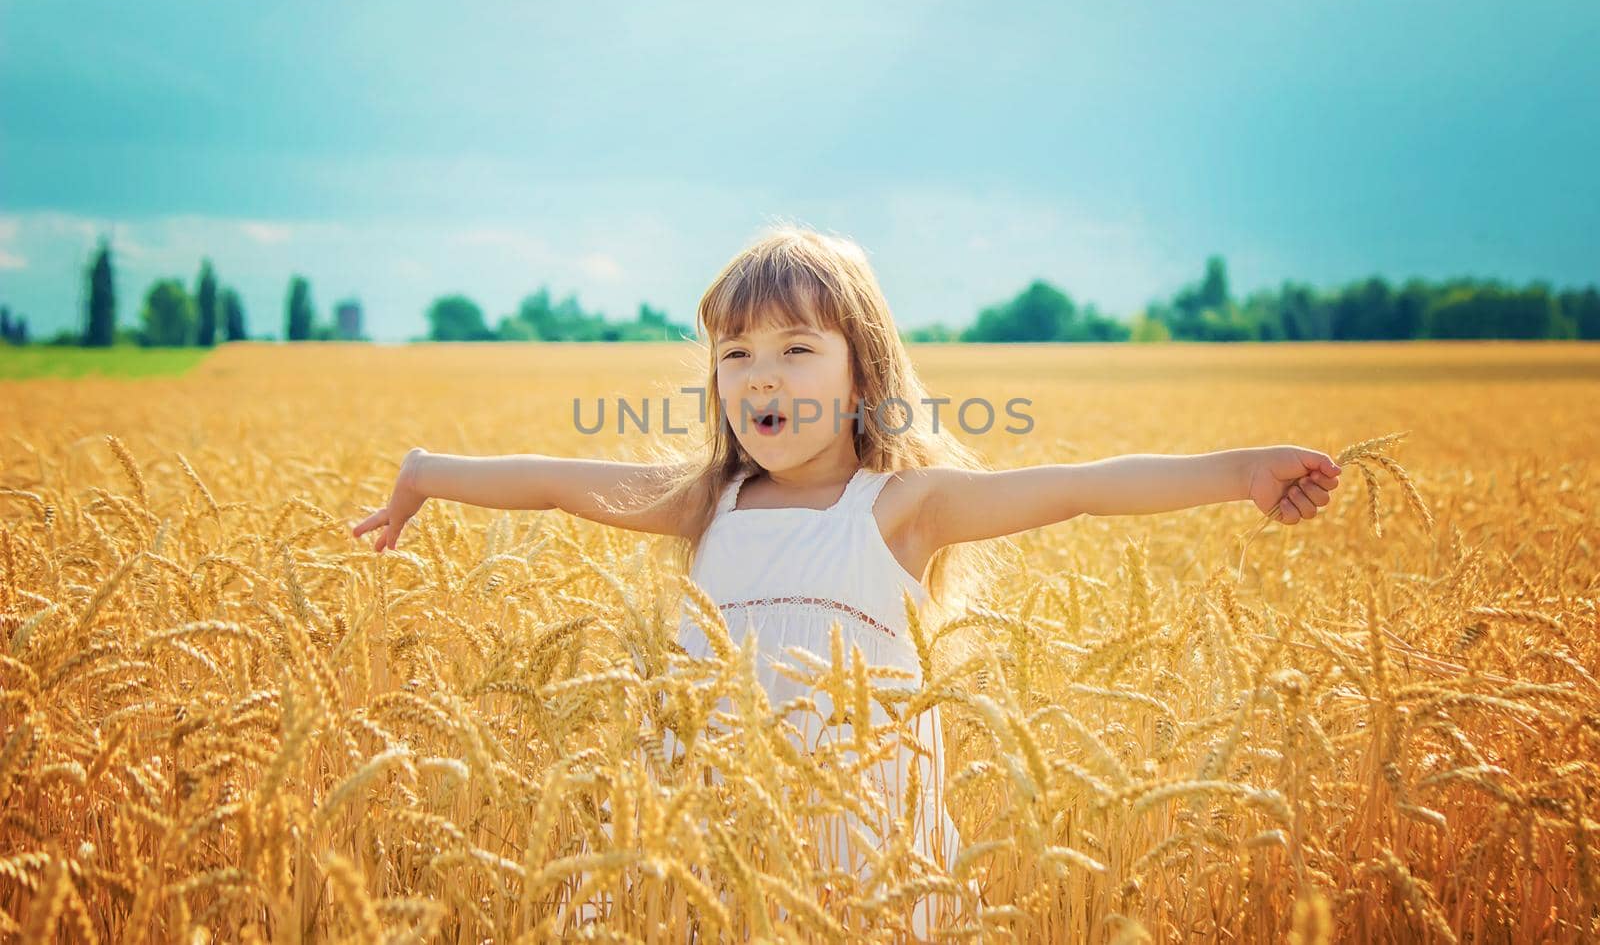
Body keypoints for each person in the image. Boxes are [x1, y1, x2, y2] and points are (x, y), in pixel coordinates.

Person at [350, 221, 1342, 937]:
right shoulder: (704, 503)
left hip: (859, 864)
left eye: (795, 347)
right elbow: (554, 484)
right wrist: (426, 475)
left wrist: (1239, 472)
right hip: (706, 853)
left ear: (860, 376)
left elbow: (1081, 489)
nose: (761, 374)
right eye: (735, 353)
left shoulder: (901, 508)